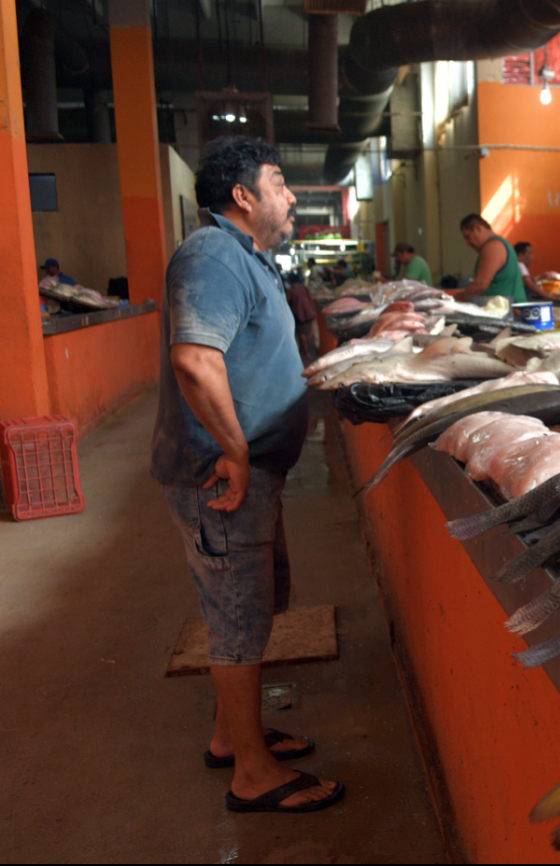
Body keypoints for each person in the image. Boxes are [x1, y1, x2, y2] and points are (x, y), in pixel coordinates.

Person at [151, 135, 343, 814]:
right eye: (280, 181)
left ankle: (233, 738)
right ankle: (253, 775)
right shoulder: (210, 254)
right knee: (238, 616)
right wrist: (234, 451)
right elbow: (196, 361)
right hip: (220, 476)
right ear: (242, 195)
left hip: (250, 469)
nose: (289, 195)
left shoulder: (247, 258)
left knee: (254, 607)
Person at [459, 213, 526, 303]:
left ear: (478, 228)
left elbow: (480, 286)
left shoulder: (493, 246)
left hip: (507, 312)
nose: (467, 243)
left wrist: (452, 302)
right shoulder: (500, 244)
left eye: (468, 237)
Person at [283, 272, 317, 359]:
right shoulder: (304, 288)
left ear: (290, 281)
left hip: (299, 315)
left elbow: (286, 303)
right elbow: (311, 299)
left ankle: (305, 353)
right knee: (309, 333)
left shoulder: (291, 292)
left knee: (301, 334)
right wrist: (313, 310)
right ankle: (310, 351)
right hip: (309, 313)